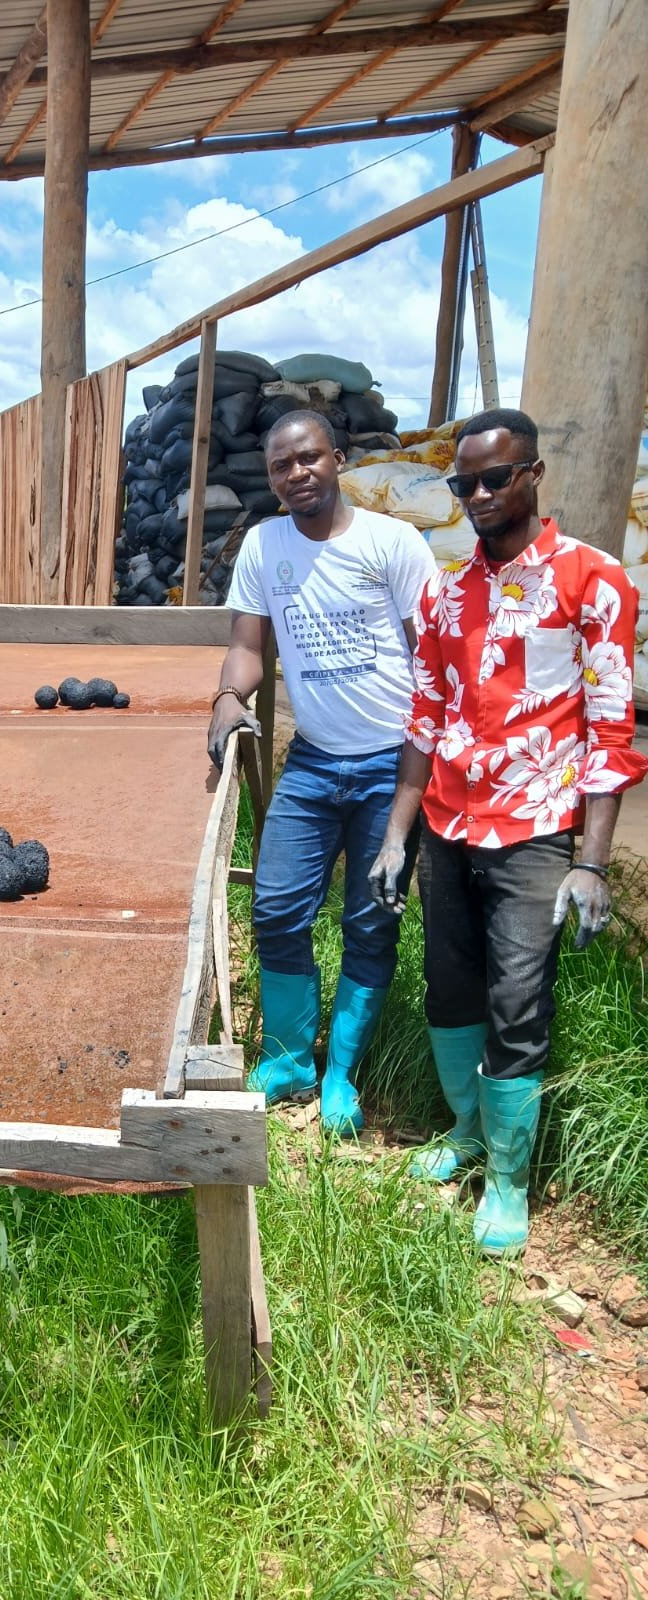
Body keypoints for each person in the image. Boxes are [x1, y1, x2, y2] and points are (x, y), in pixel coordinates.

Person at [368, 408, 647, 1253]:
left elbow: (610, 728)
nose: (480, 495)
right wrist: (395, 837)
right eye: (464, 485)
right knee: (449, 985)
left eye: (497, 478)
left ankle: (512, 1183)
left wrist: (591, 864)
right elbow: (425, 721)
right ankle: (466, 1135)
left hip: (533, 831)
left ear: (532, 475)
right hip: (448, 827)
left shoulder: (591, 580)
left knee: (518, 999)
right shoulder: (448, 593)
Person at [207, 411, 437, 1136]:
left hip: (388, 764)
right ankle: (288, 1060)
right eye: (281, 465)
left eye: (309, 458)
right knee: (276, 908)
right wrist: (226, 697)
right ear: (272, 478)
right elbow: (249, 645)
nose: (296, 472)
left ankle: (340, 1070)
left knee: (371, 921)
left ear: (337, 460)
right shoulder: (263, 545)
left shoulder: (391, 542)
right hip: (311, 760)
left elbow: (428, 657)